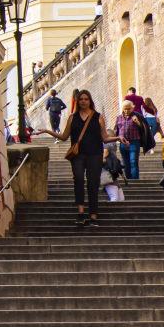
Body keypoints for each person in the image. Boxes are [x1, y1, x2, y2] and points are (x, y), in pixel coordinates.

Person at [65, 88, 108, 225]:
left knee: (92, 183)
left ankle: (93, 216)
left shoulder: (98, 116)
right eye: (81, 99)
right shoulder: (72, 117)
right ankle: (81, 212)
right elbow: (64, 136)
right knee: (78, 179)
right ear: (77, 101)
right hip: (78, 154)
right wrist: (48, 131)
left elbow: (105, 138)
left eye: (86, 99)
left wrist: (118, 137)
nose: (83, 101)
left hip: (95, 154)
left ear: (90, 101)